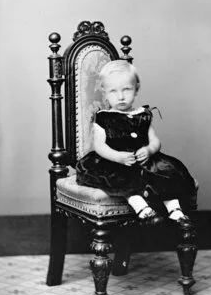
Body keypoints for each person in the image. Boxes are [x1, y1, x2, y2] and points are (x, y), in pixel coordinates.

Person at [76, 60, 197, 226]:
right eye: (113, 91)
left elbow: (154, 140)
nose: (121, 96)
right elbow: (100, 146)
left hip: (144, 161)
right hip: (115, 162)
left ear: (137, 89)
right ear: (104, 92)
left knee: (165, 173)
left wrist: (149, 150)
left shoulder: (143, 115)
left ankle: (175, 211)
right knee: (122, 179)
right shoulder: (104, 117)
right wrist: (117, 157)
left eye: (126, 89)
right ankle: (143, 210)